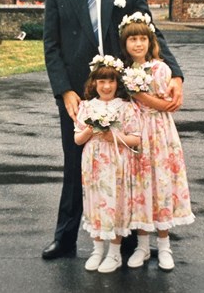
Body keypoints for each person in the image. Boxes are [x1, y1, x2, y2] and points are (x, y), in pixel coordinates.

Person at [42, 0, 183, 260]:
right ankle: (66, 237)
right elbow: (51, 46)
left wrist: (176, 73)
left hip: (126, 92)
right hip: (81, 95)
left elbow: (150, 32)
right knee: (77, 164)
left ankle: (131, 239)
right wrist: (65, 91)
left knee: (130, 164)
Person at [119, 12, 195, 271]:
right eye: (132, 40)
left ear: (150, 42)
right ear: (125, 44)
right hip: (136, 132)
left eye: (142, 39)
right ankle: (142, 246)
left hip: (159, 131)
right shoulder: (125, 71)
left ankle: (164, 247)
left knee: (160, 183)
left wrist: (140, 95)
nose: (138, 44)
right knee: (140, 186)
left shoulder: (161, 68)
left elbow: (167, 105)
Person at [74, 55, 141, 273]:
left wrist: (113, 136)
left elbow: (136, 139)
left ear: (117, 83)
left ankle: (114, 253)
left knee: (115, 203)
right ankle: (97, 250)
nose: (106, 86)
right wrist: (90, 130)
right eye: (101, 81)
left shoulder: (125, 107)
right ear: (94, 83)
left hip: (116, 163)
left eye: (111, 81)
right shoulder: (86, 107)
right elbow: (77, 139)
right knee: (95, 203)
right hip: (93, 163)